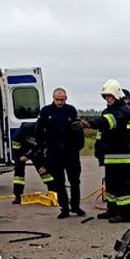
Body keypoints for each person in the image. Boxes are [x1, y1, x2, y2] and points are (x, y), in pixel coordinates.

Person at [76, 79, 130, 223]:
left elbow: (107, 122)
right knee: (111, 184)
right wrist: (99, 149)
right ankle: (115, 210)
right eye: (106, 96)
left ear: (117, 95)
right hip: (111, 154)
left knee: (122, 186)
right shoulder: (110, 110)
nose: (108, 99)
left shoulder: (122, 111)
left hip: (121, 154)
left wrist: (88, 124)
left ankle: (125, 214)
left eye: (110, 96)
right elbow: (103, 130)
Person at [36, 88, 85, 219]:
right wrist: (41, 148)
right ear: (53, 98)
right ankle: (64, 208)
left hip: (71, 152)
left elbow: (79, 130)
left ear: (66, 98)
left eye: (62, 100)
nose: (59, 102)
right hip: (54, 153)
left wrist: (79, 147)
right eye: (57, 100)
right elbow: (39, 131)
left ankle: (76, 206)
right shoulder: (46, 111)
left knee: (75, 181)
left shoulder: (71, 110)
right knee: (59, 182)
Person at [11, 121, 54, 203]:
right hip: (21, 151)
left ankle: (54, 193)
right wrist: (20, 157)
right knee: (18, 175)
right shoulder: (23, 130)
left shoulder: (44, 133)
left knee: (44, 171)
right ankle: (18, 196)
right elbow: (16, 145)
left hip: (36, 151)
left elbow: (40, 147)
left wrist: (28, 156)